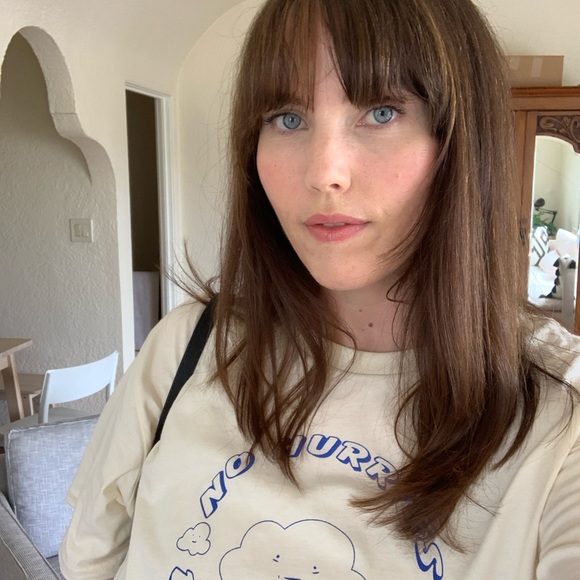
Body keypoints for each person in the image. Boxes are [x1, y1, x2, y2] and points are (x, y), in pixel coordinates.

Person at [60, 0, 580, 578]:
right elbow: (90, 562)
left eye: (381, 112)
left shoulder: (561, 418)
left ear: (461, 144)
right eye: (287, 118)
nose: (323, 172)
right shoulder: (186, 346)